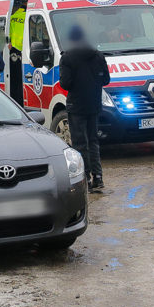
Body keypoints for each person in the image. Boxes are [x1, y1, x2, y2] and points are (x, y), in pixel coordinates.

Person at [59, 25, 110, 191]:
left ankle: (85, 178)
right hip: (93, 104)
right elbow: (106, 80)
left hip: (77, 105)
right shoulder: (97, 55)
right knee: (93, 141)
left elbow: (65, 83)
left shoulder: (67, 58)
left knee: (80, 143)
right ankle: (98, 177)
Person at [8, 5, 26, 103]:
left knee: (14, 77)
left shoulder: (12, 17)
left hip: (13, 49)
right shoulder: (27, 16)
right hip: (24, 48)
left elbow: (8, 33)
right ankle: (20, 100)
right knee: (21, 79)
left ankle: (15, 100)